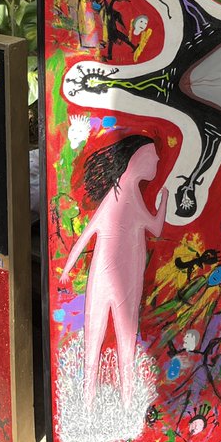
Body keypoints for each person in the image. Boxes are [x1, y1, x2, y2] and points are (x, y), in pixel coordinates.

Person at [60, 133, 168, 407]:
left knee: (104, 340)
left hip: (112, 275)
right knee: (120, 340)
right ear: (136, 159)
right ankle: (117, 401)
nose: (156, 158)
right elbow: (154, 227)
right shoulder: (122, 196)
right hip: (122, 276)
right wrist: (164, 200)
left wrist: (67, 270)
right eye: (151, 154)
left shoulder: (123, 193)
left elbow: (88, 236)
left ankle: (98, 402)